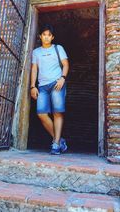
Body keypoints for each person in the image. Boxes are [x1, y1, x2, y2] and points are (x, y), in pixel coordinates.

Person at [30, 24, 69, 155]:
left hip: (57, 83)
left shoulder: (58, 48)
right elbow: (34, 69)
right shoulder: (36, 52)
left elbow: (65, 64)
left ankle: (56, 144)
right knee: (41, 113)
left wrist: (63, 78)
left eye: (49, 35)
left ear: (52, 37)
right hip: (42, 86)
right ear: (40, 36)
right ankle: (59, 140)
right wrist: (32, 86)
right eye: (44, 35)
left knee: (57, 112)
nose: (46, 37)